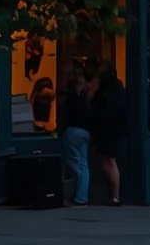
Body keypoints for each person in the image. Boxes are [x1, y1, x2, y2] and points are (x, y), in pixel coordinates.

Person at [90, 65, 130, 206]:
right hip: (109, 130)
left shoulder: (110, 90)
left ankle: (115, 195)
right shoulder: (114, 89)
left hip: (108, 131)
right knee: (107, 161)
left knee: (109, 161)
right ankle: (114, 194)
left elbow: (106, 108)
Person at [60, 64, 94, 206]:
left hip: (73, 129)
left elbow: (66, 114)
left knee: (74, 163)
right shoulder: (86, 96)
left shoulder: (71, 95)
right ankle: (82, 197)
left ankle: (71, 195)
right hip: (85, 131)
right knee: (83, 164)